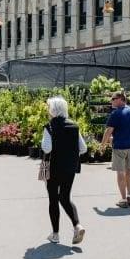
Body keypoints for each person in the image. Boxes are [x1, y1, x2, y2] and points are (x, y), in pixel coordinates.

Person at [41, 96, 87, 245]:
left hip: (53, 167)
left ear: (53, 110)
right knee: (65, 197)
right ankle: (77, 225)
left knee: (53, 199)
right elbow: (83, 148)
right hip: (70, 167)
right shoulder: (74, 126)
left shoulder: (50, 127)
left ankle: (55, 234)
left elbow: (47, 148)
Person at [101, 90, 130, 208]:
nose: (111, 101)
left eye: (113, 98)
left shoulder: (116, 113)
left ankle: (123, 199)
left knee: (120, 172)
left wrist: (102, 145)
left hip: (119, 147)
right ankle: (129, 196)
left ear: (120, 99)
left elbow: (108, 131)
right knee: (129, 171)